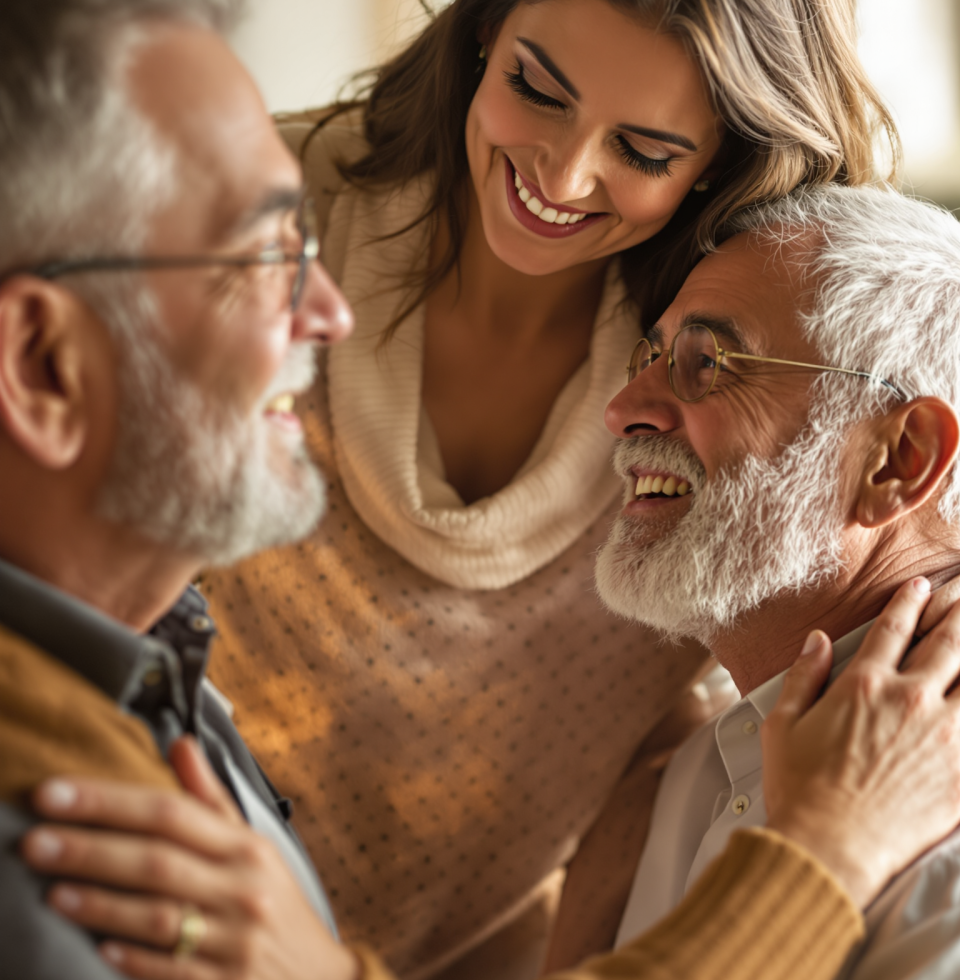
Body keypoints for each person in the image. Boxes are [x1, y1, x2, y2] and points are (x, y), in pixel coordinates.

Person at [197, 1, 900, 975]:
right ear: (483, 27)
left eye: (645, 151)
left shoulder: (748, 387)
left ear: (724, 164)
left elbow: (684, 723)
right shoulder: (236, 218)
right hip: (141, 890)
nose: (560, 177)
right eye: (536, 88)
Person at [0, 0, 352, 976]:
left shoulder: (148, 636)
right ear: (41, 365)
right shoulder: (54, 885)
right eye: (268, 255)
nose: (332, 311)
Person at [568, 182, 960, 978]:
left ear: (900, 459)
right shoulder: (686, 771)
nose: (623, 408)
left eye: (707, 362)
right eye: (651, 356)